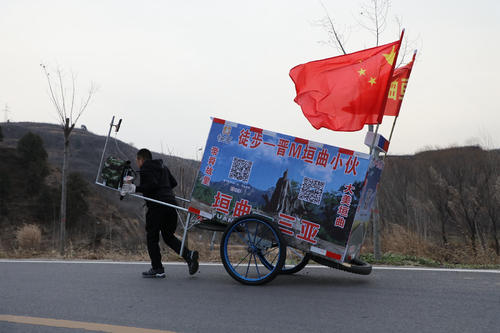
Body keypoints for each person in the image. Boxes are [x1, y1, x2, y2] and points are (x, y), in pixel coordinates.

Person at [121, 148, 199, 278]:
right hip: (171, 205)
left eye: (137, 161)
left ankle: (157, 268)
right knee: (168, 236)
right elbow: (173, 183)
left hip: (157, 207)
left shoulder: (146, 168)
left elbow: (151, 185)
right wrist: (164, 189)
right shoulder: (163, 167)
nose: (138, 163)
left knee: (152, 237)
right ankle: (189, 256)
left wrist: (134, 188)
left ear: (141, 159)